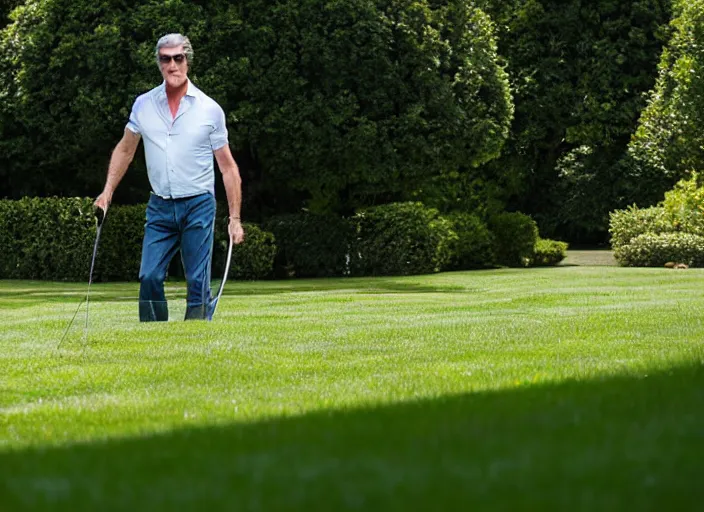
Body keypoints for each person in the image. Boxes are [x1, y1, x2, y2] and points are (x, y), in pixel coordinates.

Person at [94, 33, 245, 322]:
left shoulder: (209, 109)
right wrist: (107, 191)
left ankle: (195, 335)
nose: (172, 65)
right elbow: (126, 149)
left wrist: (235, 219)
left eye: (178, 58)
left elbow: (228, 168)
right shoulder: (143, 105)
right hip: (160, 206)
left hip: (199, 204)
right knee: (149, 275)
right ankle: (155, 336)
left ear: (187, 61)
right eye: (166, 59)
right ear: (159, 63)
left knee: (198, 280)